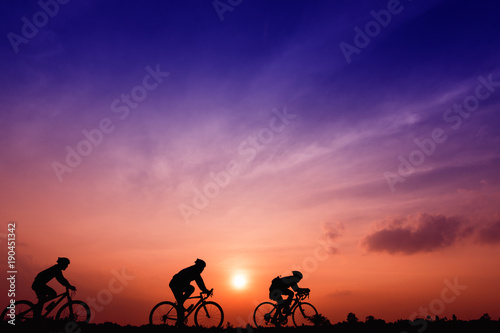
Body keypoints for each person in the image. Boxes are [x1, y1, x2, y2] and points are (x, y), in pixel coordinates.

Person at [169, 259, 210, 325]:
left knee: (181, 303)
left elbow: (200, 283)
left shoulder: (194, 270)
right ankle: (180, 322)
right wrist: (206, 290)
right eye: (202, 268)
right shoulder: (194, 271)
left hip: (178, 284)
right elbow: (200, 283)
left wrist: (205, 290)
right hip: (175, 284)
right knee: (191, 289)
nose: (203, 270)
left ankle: (180, 321)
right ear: (199, 266)